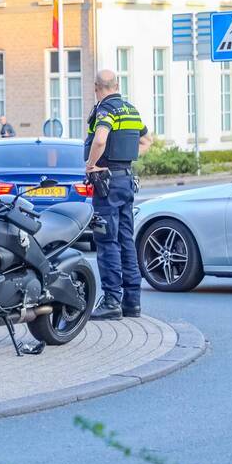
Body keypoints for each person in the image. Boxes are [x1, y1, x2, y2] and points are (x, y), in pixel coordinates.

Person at [84, 69, 152, 321]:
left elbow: (100, 139)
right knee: (126, 239)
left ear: (96, 87)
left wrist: (91, 165)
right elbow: (147, 141)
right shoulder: (131, 110)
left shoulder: (106, 110)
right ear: (117, 84)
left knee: (106, 240)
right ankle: (132, 302)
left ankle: (112, 300)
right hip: (126, 179)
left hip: (107, 182)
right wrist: (126, 159)